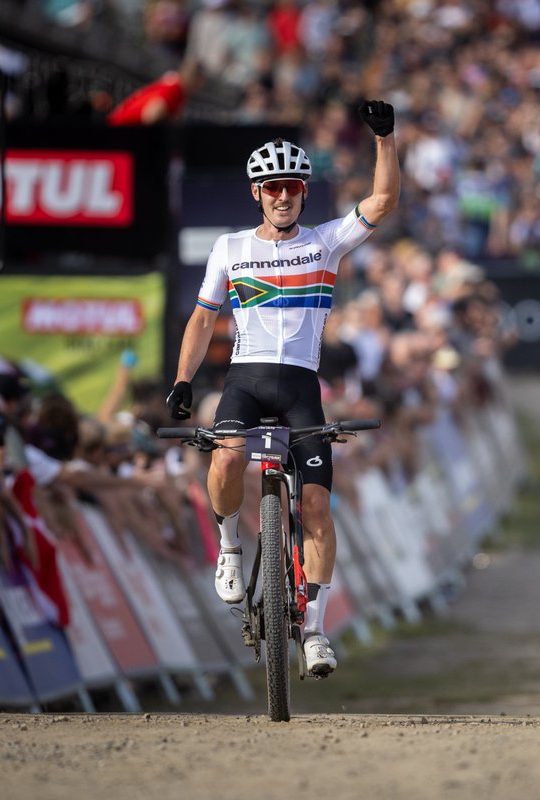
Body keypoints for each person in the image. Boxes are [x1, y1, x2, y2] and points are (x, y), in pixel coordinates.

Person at [165, 101, 399, 678]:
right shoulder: (230, 248)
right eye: (272, 187)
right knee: (225, 459)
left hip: (301, 391)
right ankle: (228, 545)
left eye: (292, 186)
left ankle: (315, 631)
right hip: (244, 380)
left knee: (316, 504)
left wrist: (385, 139)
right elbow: (201, 320)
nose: (283, 196)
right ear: (257, 193)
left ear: (302, 191)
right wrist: (182, 382)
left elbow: (384, 201)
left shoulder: (325, 242)